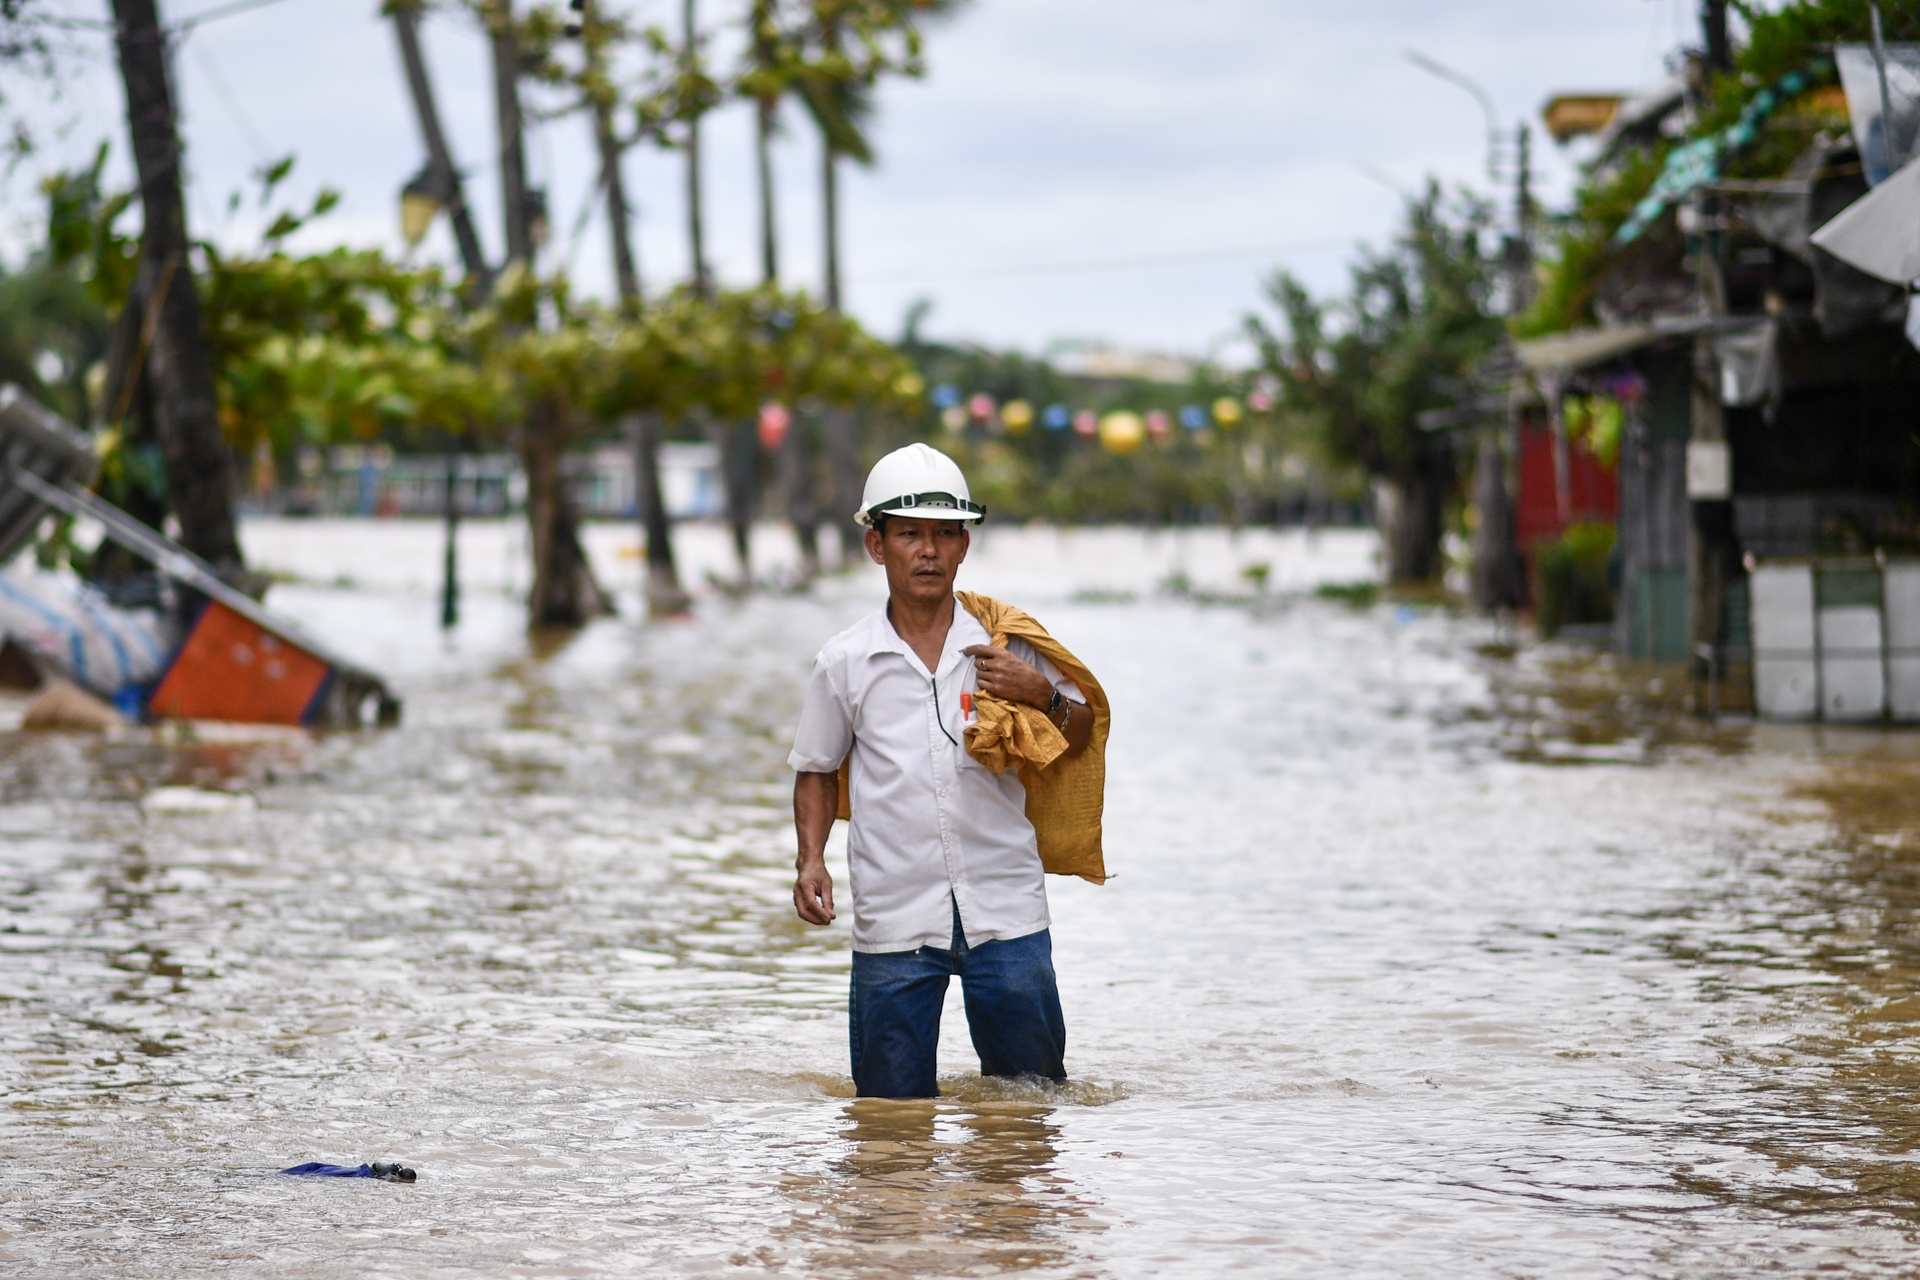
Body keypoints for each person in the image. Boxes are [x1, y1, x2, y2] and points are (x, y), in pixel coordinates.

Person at [787, 443, 1096, 1099]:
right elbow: (815, 769)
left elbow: (1080, 733)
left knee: (1031, 1106)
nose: (927, 552)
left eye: (943, 535)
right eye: (909, 535)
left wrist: (1039, 695)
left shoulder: (1009, 646)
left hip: (1006, 911)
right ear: (877, 546)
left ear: (964, 545)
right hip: (894, 914)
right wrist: (809, 860)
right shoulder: (845, 661)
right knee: (887, 1118)